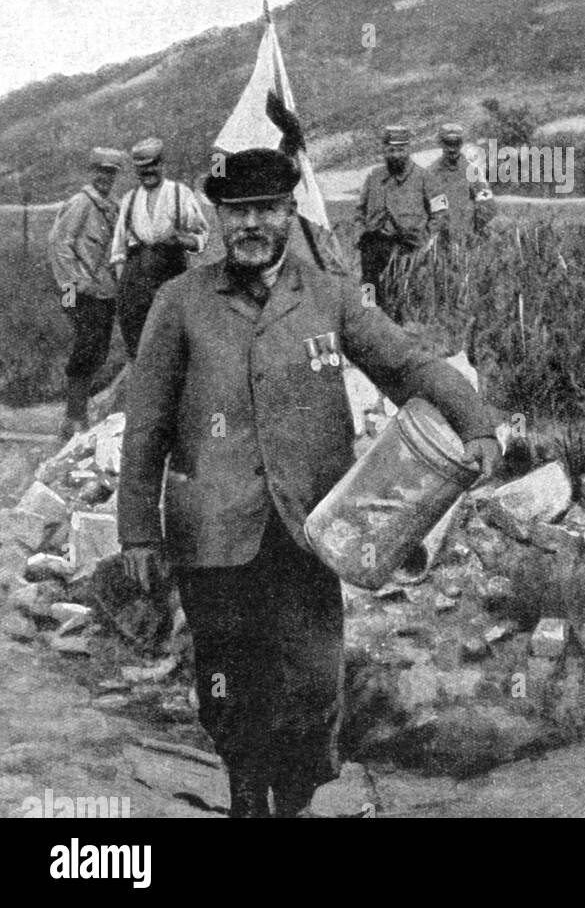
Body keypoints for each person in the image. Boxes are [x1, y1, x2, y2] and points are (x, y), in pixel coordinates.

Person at [117, 148, 503, 818]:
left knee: (314, 684)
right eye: (238, 210)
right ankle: (246, 797)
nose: (251, 223)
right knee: (227, 683)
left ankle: (292, 796)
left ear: (290, 212)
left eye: (266, 208)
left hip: (310, 529)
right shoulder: (180, 302)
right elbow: (145, 428)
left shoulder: (328, 295)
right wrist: (137, 533)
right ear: (219, 215)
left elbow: (406, 364)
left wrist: (476, 421)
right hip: (212, 530)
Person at [46, 147, 125, 440]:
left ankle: (80, 414)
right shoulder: (81, 203)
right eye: (101, 171)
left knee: (98, 349)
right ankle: (73, 419)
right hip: (76, 288)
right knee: (87, 344)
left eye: (111, 172)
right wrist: (78, 284)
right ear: (91, 172)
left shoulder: (111, 206)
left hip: (104, 290)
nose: (106, 177)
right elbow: (59, 246)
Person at [110, 137, 209, 357]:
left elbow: (201, 236)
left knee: (173, 341)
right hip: (136, 282)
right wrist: (124, 288)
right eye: (142, 169)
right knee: (139, 346)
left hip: (170, 275)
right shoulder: (130, 199)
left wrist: (182, 240)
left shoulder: (180, 194)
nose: (148, 172)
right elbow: (118, 250)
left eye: (152, 166)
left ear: (162, 164)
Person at [354, 126, 435, 302]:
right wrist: (360, 233)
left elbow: (440, 214)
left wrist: (426, 243)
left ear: (409, 149)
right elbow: (360, 210)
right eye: (391, 150)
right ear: (384, 150)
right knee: (369, 295)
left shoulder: (424, 177)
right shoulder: (374, 176)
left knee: (402, 298)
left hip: (408, 248)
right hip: (373, 249)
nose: (396, 155)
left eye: (400, 149)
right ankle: (369, 321)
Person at [425, 122, 496, 241]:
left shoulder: (473, 171)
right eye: (448, 143)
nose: (452, 148)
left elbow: (488, 206)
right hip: (439, 241)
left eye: (456, 143)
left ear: (461, 143)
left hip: (466, 238)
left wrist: (472, 230)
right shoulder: (430, 173)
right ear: (440, 143)